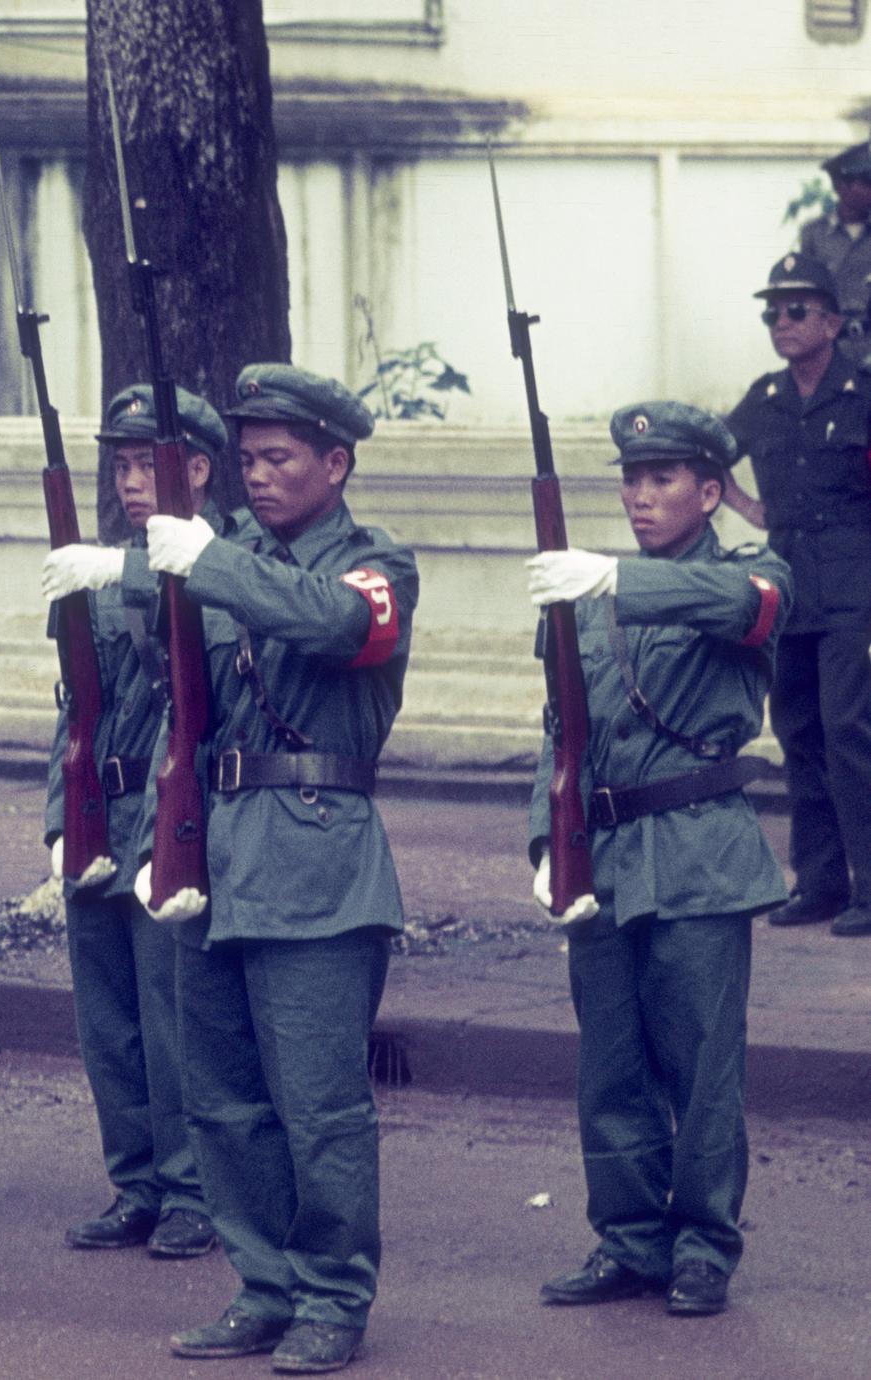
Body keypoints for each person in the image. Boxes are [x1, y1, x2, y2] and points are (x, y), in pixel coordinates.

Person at [137, 364, 417, 1376]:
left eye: (279, 458)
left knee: (319, 1102)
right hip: (214, 849)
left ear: (334, 465)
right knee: (220, 1097)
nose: (257, 476)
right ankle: (262, 1285)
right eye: (247, 459)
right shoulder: (225, 556)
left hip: (314, 853)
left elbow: (335, 625)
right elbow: (178, 695)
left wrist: (204, 563)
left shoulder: (376, 562)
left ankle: (333, 1297)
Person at [526, 401, 790, 1318]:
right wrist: (542, 842)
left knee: (701, 1065)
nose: (641, 496)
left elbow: (740, 611)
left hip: (698, 853)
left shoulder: (750, 573)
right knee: (611, 1067)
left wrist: (615, 582)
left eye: (664, 479)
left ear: (711, 492)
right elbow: (560, 730)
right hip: (603, 853)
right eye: (631, 480)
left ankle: (705, 1244)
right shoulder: (589, 591)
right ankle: (630, 1239)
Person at [34, 385, 223, 1261]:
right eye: (121, 462)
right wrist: (58, 822)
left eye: (149, 462)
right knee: (106, 1018)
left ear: (197, 469)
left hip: (170, 816)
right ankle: (135, 1183)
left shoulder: (221, 562)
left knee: (169, 1011)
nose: (131, 480)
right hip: (98, 809)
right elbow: (75, 702)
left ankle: (193, 1190)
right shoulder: (98, 566)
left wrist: (127, 571)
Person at [725, 253, 871, 938]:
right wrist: (751, 509)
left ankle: (869, 886)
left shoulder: (863, 393)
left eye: (796, 310)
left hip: (853, 586)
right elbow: (709, 454)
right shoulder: (765, 398)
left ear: (833, 322)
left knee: (850, 731)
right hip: (787, 588)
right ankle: (819, 884)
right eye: (771, 312)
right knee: (800, 734)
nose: (780, 323)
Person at [796, 142, 871, 363]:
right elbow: (808, 294)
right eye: (866, 182)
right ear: (841, 186)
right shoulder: (814, 234)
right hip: (832, 349)